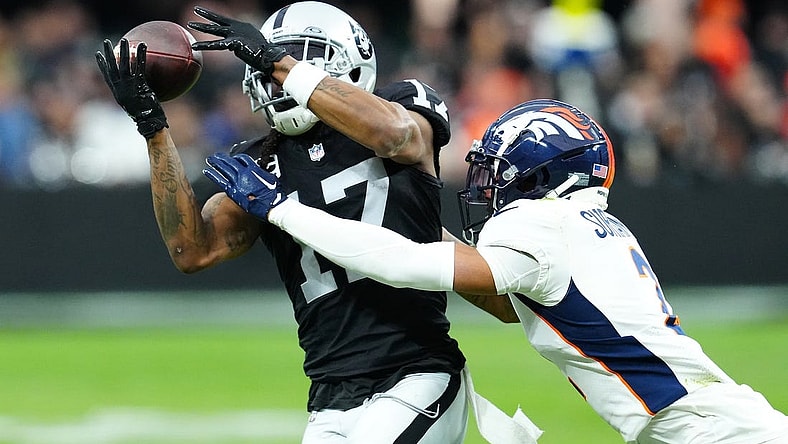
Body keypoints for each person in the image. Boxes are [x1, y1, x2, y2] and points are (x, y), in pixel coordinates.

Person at [203, 98, 788, 444]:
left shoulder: (542, 228)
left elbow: (403, 263)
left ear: (542, 174)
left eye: (498, 172)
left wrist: (280, 208)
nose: (487, 188)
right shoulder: (582, 223)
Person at [95, 2, 476, 443]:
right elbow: (192, 250)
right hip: (329, 392)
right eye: (262, 64)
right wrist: (153, 126)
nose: (269, 75)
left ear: (347, 60)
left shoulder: (402, 103)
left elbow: (394, 136)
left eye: (294, 58)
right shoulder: (258, 161)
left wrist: (277, 60)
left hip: (416, 373)